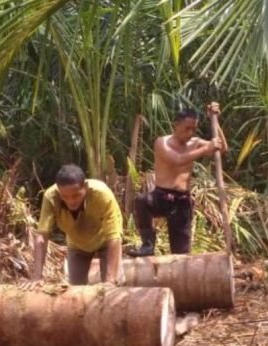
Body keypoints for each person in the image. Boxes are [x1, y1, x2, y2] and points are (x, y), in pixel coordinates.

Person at [130, 102, 227, 256]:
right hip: (161, 196)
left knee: (180, 254)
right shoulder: (161, 142)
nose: (190, 133)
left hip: (182, 202)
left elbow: (221, 149)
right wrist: (205, 149)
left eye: (193, 129)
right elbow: (177, 160)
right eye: (187, 128)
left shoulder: (195, 143)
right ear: (176, 125)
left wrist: (214, 121)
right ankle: (147, 244)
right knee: (143, 201)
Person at [31, 164, 123, 285]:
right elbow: (42, 236)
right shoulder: (51, 197)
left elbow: (114, 238)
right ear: (59, 191)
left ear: (85, 187)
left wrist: (110, 280)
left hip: (106, 241)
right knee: (75, 290)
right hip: (77, 244)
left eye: (76, 195)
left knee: (113, 288)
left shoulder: (102, 194)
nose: (71, 201)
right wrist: (37, 277)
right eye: (65, 197)